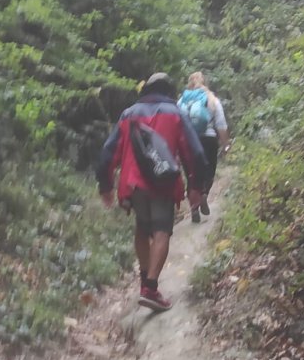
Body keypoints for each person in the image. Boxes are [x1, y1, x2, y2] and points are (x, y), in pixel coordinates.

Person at [96, 72, 206, 312]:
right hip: (163, 182)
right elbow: (193, 152)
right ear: (169, 91)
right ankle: (151, 288)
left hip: (133, 184)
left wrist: (106, 186)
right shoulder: (177, 114)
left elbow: (108, 152)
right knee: (161, 231)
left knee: (142, 228)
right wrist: (195, 187)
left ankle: (144, 282)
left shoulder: (128, 114)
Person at [177, 72, 230, 223]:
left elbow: (177, 124)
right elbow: (221, 124)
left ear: (189, 83)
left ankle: (194, 208)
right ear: (205, 82)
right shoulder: (212, 99)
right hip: (209, 139)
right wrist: (226, 144)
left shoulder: (182, 101)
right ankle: (205, 193)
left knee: (191, 176)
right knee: (208, 171)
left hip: (188, 141)